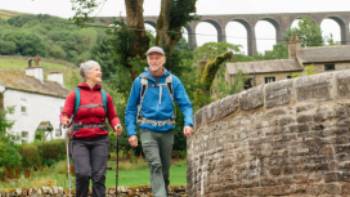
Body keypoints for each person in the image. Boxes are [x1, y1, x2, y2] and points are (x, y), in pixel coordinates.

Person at [125, 46, 193, 197]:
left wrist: (188, 123)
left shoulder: (173, 81)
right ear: (148, 60)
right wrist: (131, 132)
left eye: (157, 58)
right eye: (151, 58)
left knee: (165, 170)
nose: (154, 61)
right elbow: (130, 109)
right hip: (147, 130)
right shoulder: (140, 82)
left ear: (163, 60)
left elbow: (186, 104)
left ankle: (163, 192)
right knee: (155, 165)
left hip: (167, 130)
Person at [60, 60, 122, 197]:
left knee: (99, 176)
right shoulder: (74, 95)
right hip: (79, 141)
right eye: (96, 70)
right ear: (87, 74)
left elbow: (113, 116)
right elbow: (65, 113)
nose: (100, 72)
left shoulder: (105, 96)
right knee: (82, 174)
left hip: (100, 140)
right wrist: (64, 120)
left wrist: (117, 124)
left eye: (100, 70)